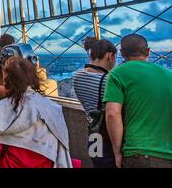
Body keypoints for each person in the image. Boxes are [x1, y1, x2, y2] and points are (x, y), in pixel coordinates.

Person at [0, 57, 72, 168]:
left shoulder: (3, 107)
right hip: (45, 163)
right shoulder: (51, 107)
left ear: (8, 81)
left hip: (9, 164)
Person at [104, 34, 172, 168]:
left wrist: (117, 152)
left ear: (122, 53)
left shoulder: (117, 74)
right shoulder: (169, 75)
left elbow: (112, 114)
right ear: (147, 51)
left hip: (138, 152)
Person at [72, 37, 117, 168]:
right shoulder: (109, 81)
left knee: (97, 164)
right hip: (108, 138)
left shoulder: (77, 76)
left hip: (93, 137)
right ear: (110, 56)